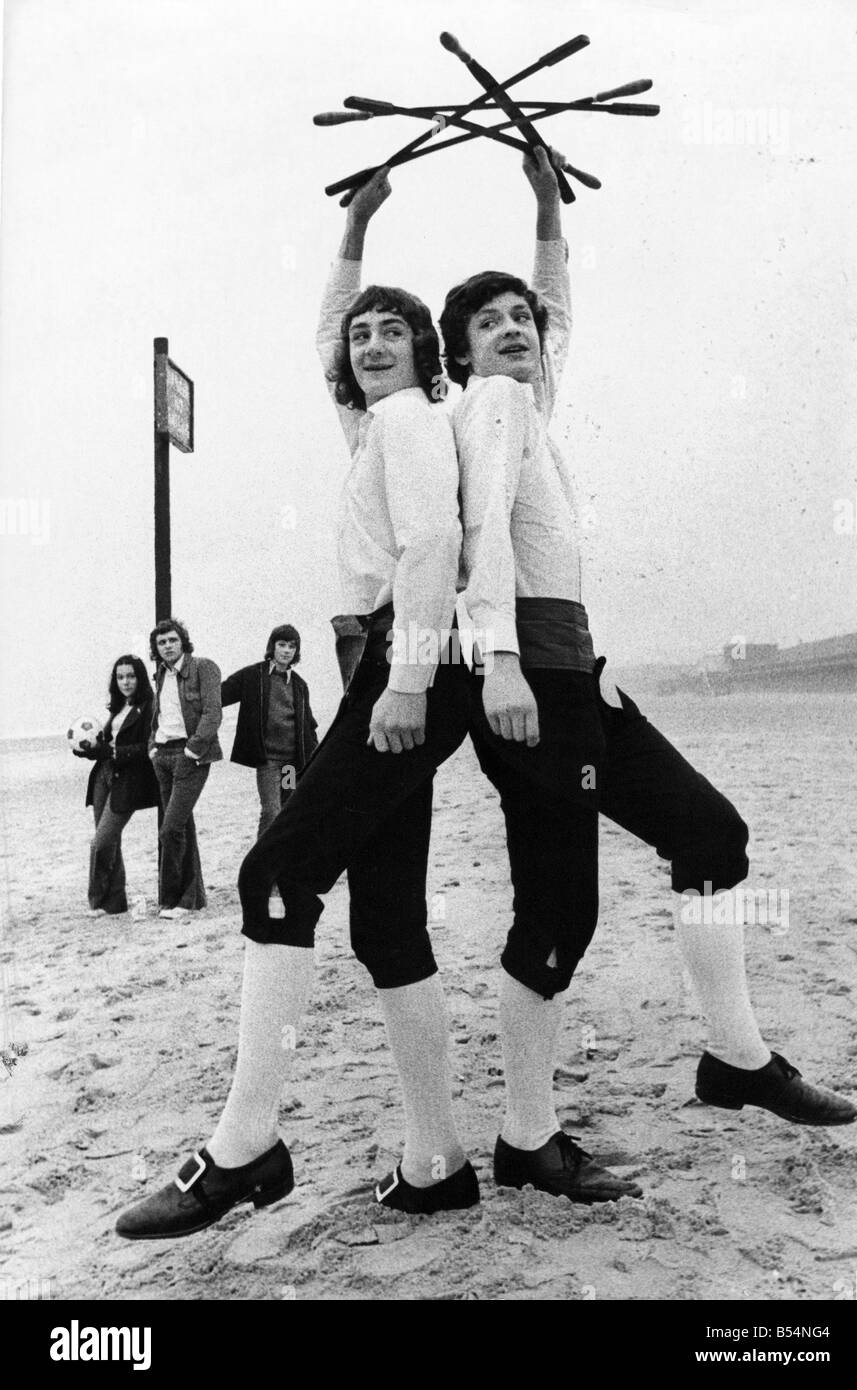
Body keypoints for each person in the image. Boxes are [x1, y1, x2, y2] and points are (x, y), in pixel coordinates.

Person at [437, 147, 857, 1204]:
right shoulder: (484, 408)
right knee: (556, 917)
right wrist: (498, 663)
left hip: (579, 680)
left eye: (522, 319)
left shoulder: (525, 403)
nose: (519, 330)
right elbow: (477, 535)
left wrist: (544, 204)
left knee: (710, 834)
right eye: (492, 324)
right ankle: (528, 1138)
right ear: (464, 355)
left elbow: (559, 315)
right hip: (524, 683)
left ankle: (737, 1058)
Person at [115, 167, 475, 1242]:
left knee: (274, 875)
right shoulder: (379, 428)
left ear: (424, 356)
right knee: (388, 923)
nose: (368, 344)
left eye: (391, 333)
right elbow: (330, 330)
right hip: (402, 664)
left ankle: (244, 1146)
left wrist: (405, 681)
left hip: (406, 664)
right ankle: (435, 1161)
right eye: (360, 335)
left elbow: (436, 545)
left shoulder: (411, 422)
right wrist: (358, 229)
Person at [147, 617, 222, 920]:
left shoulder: (203, 667)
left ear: (183, 641)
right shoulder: (160, 675)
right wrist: (152, 746)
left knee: (170, 829)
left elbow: (212, 713)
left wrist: (192, 750)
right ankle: (191, 898)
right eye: (161, 642)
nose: (167, 646)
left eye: (172, 640)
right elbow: (160, 716)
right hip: (162, 756)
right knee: (181, 827)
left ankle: (178, 900)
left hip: (190, 755)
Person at [75, 655, 158, 916]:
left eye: (131, 676)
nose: (125, 682)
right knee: (111, 843)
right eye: (121, 677)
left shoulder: (151, 706)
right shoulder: (117, 708)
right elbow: (106, 746)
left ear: (140, 678)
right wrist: (91, 750)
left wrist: (115, 753)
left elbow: (148, 746)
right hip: (103, 775)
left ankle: (97, 901)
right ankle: (114, 903)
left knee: (101, 841)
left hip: (129, 779)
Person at [221, 625, 319, 838]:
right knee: (271, 811)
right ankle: (261, 863)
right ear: (272, 647)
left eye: (292, 646)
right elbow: (219, 695)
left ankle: (280, 859)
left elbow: (308, 725)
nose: (286, 650)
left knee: (286, 808)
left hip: (291, 764)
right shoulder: (253, 675)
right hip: (269, 762)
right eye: (281, 644)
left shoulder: (299, 684)